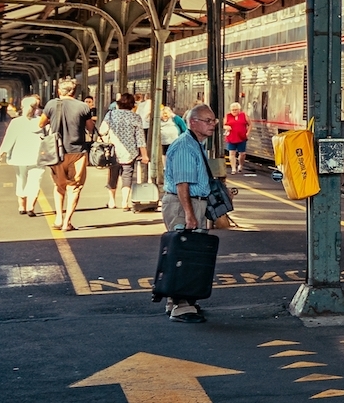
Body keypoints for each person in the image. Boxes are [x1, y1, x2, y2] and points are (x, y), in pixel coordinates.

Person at [160, 103, 220, 322]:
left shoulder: (196, 144)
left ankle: (177, 302)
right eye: (208, 120)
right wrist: (189, 214)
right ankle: (180, 307)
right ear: (193, 122)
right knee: (184, 254)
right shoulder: (186, 146)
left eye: (213, 120)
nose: (212, 125)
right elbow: (182, 184)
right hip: (183, 204)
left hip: (191, 203)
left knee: (186, 253)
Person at [45, 78, 92, 231]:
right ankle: (67, 222)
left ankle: (58, 218)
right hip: (77, 152)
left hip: (56, 152)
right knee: (75, 187)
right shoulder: (83, 106)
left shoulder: (51, 104)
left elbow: (41, 123)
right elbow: (90, 128)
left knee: (59, 186)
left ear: (59, 91)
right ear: (74, 91)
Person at [0, 95, 51, 216]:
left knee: (21, 180)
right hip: (38, 156)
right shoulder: (42, 122)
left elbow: (9, 140)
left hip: (19, 156)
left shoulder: (16, 122)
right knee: (35, 182)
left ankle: (22, 206)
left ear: (22, 107)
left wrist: (0, 155)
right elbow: (49, 138)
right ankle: (31, 207)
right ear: (36, 108)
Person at [102, 92, 148, 210]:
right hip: (129, 152)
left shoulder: (111, 115)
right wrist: (144, 155)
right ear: (132, 105)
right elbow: (140, 138)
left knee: (113, 175)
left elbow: (102, 130)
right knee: (127, 176)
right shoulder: (135, 117)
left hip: (112, 151)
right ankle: (124, 202)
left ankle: (111, 201)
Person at [224, 102, 250, 175]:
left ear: (239, 110)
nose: (234, 111)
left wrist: (247, 133)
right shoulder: (228, 116)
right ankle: (233, 169)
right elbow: (223, 125)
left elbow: (250, 124)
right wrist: (226, 127)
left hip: (242, 137)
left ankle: (240, 165)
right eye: (232, 110)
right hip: (231, 137)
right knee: (232, 153)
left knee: (242, 154)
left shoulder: (244, 115)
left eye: (236, 110)